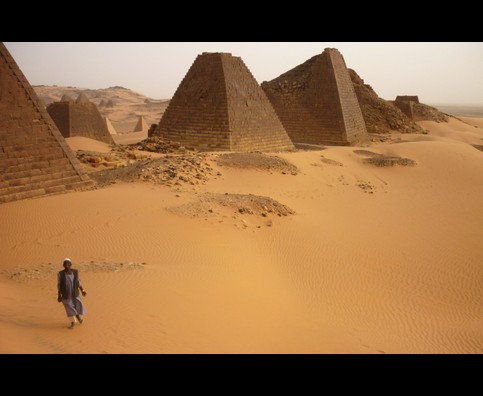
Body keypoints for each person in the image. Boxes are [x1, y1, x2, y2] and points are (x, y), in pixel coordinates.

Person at [57, 258, 87, 329]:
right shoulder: (60, 274)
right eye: (65, 264)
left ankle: (79, 318)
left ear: (71, 264)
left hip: (75, 294)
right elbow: (59, 284)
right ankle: (72, 322)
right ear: (63, 265)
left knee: (78, 307)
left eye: (68, 264)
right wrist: (59, 295)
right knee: (69, 308)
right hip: (66, 295)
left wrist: (82, 290)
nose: (67, 265)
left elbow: (78, 282)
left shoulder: (75, 272)